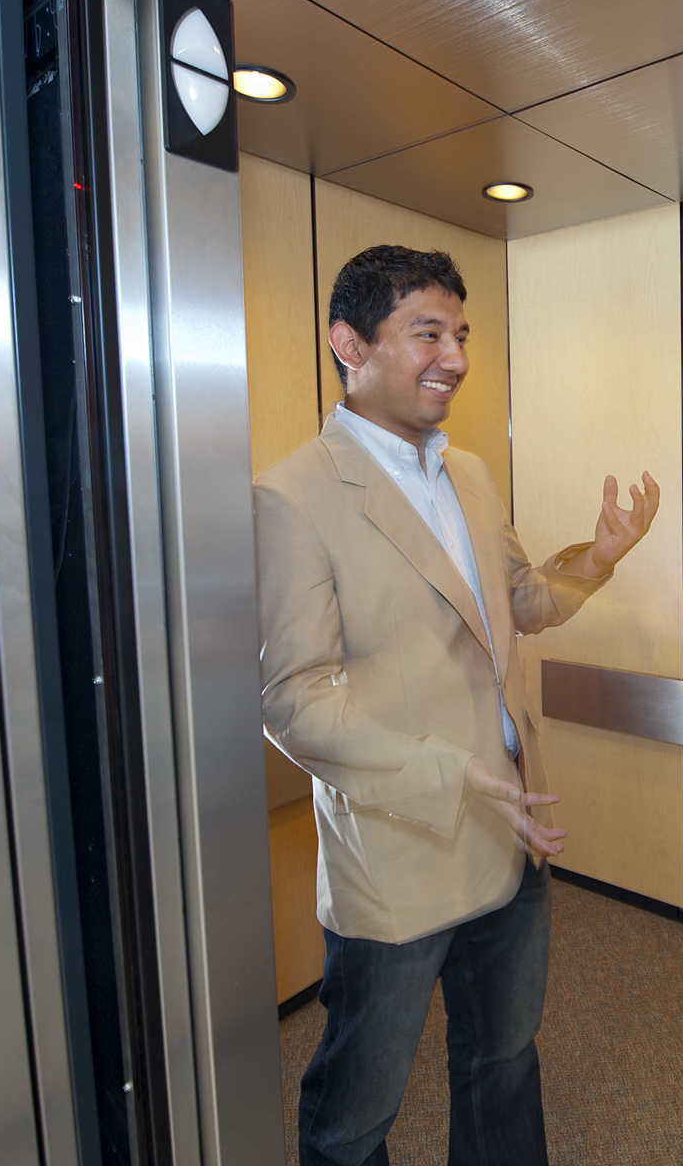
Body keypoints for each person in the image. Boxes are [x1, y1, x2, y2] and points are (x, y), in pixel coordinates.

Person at [256, 245, 658, 1166]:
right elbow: (294, 701)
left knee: (502, 1060)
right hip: (400, 847)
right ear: (348, 345)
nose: (455, 357)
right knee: (357, 1113)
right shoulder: (292, 497)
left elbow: (516, 604)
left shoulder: (467, 472)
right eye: (426, 331)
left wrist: (595, 558)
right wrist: (450, 773)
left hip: (514, 828)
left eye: (461, 333)